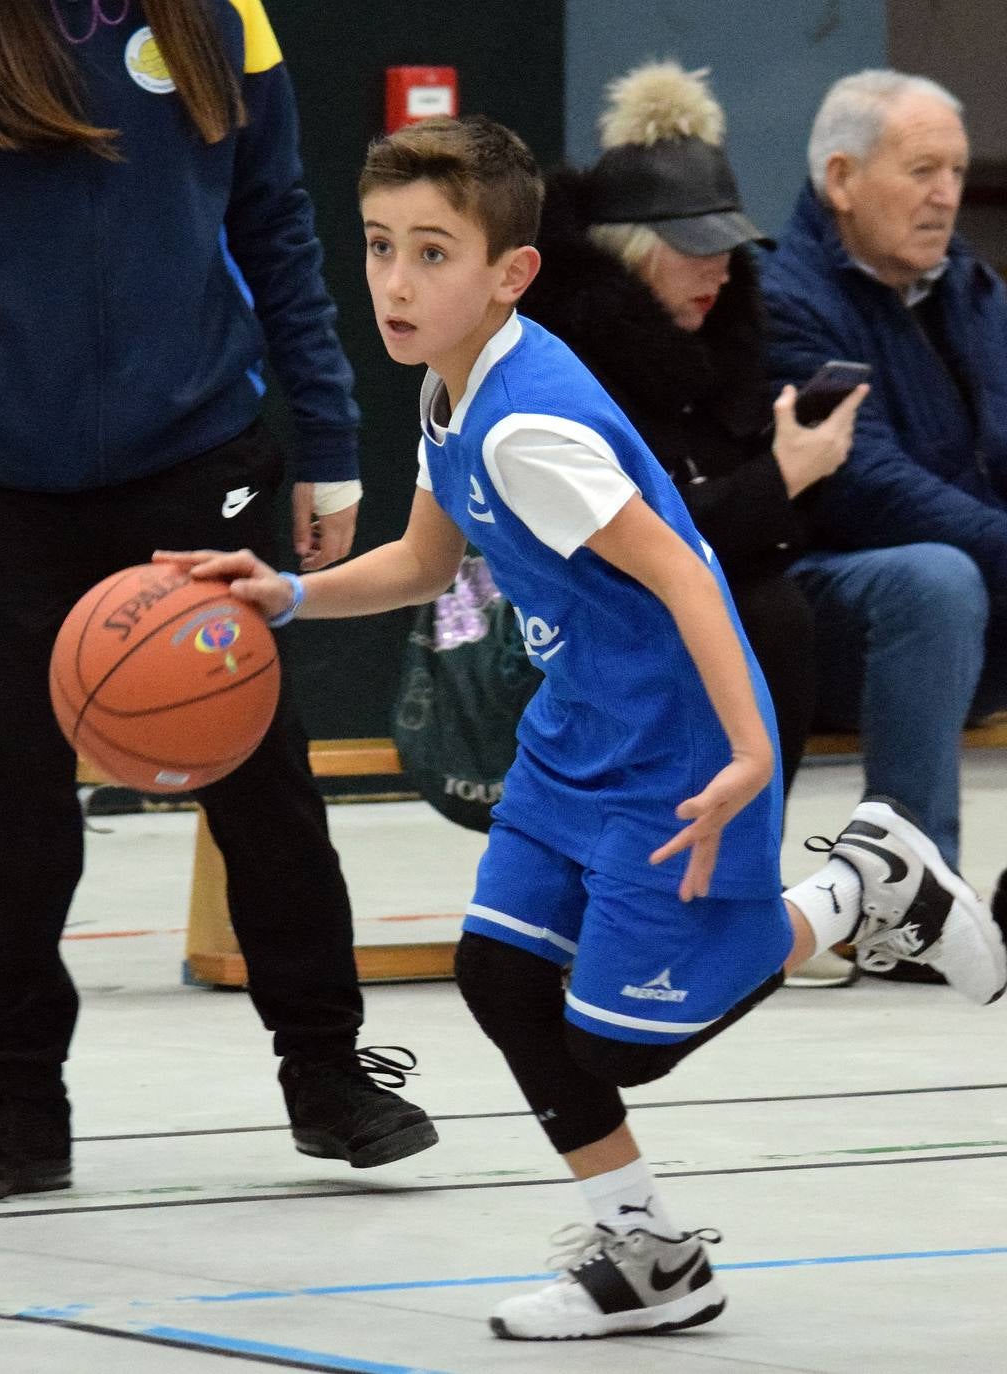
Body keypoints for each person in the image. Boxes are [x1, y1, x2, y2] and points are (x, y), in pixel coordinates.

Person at [157, 114, 1006, 1341]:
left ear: (511, 274)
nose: (396, 281)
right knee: (500, 976)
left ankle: (865, 893)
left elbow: (688, 574)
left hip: (674, 750)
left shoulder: (527, 427)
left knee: (624, 1047)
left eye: (434, 253)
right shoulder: (454, 387)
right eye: (380, 245)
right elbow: (418, 560)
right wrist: (284, 592)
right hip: (574, 735)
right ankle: (649, 1258)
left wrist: (756, 758)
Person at [0, 0, 438, 1202]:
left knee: (262, 774)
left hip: (197, 459)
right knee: (6, 792)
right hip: (2, 479)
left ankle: (327, 1071)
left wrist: (334, 442)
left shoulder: (221, 20)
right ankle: (21, 1102)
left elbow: (277, 226)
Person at [522, 62, 869, 989]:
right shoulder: (574, 356)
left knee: (800, 600)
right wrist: (782, 479)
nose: (718, 268)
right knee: (764, 611)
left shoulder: (724, 337)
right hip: (567, 611)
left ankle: (753, 892)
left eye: (727, 247)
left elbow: (736, 527)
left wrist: (797, 473)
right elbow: (647, 545)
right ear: (632, 250)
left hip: (705, 595)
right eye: (693, 248)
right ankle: (692, 898)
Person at [758, 70, 1007, 891]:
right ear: (841, 179)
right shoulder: (783, 300)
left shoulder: (974, 292)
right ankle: (912, 901)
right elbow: (864, 486)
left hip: (981, 599)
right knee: (933, 580)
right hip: (833, 624)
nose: (946, 196)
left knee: (955, 575)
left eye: (958, 173)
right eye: (922, 170)